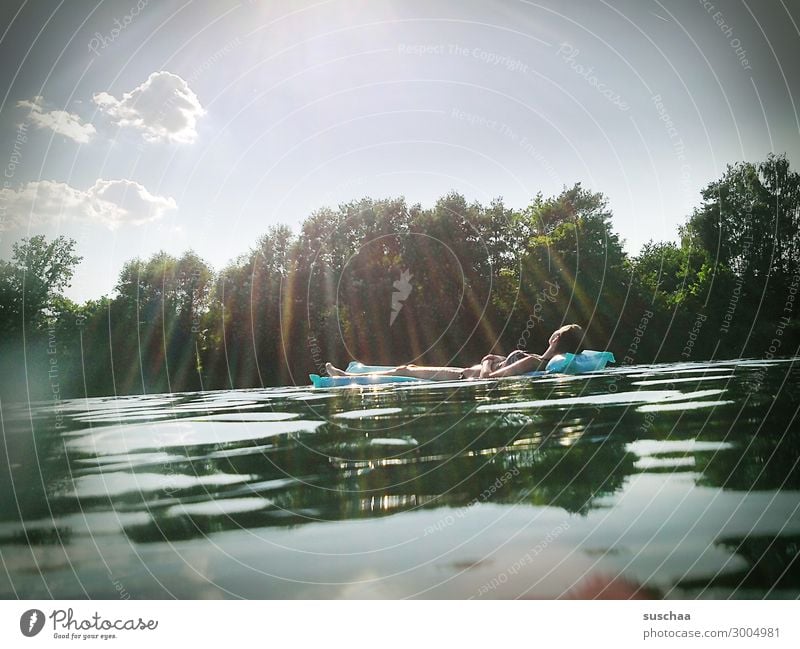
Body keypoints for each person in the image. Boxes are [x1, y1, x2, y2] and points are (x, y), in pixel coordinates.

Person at [325, 323, 584, 380]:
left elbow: (488, 380)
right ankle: (350, 375)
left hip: (462, 377)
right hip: (463, 373)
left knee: (406, 370)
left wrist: (486, 361)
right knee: (411, 368)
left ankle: (345, 379)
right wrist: (496, 359)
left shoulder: (532, 362)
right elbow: (504, 368)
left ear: (556, 337)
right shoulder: (536, 361)